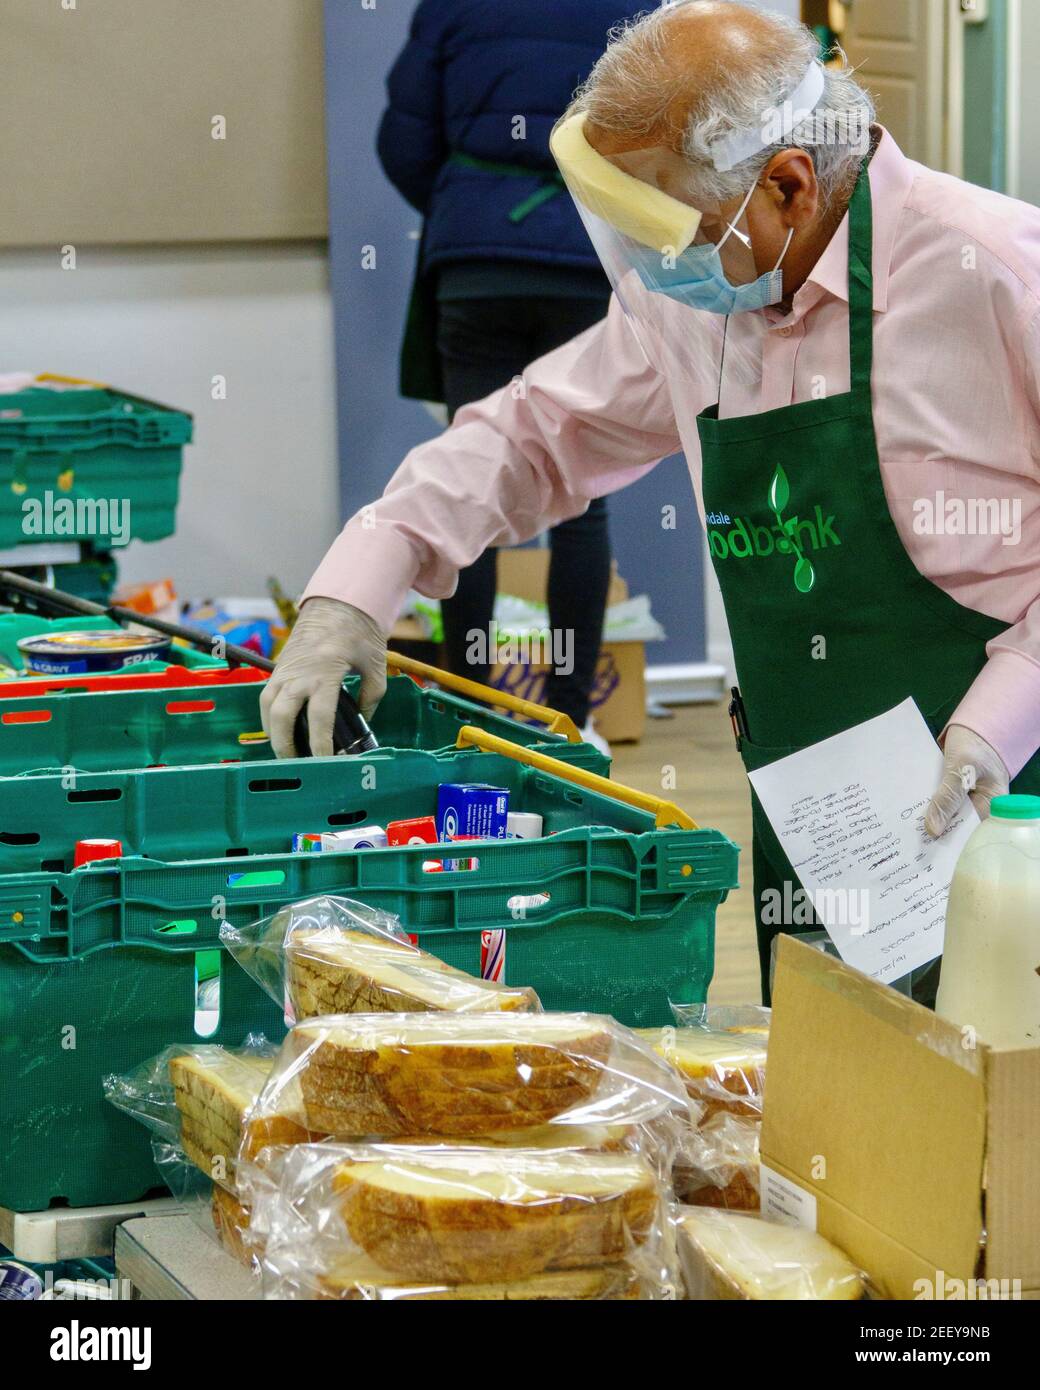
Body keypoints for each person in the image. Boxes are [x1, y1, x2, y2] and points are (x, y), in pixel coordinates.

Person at [264, 1, 1040, 1001]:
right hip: (828, 826)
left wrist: (995, 725)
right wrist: (357, 585)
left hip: (1014, 798)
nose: (657, 268)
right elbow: (528, 433)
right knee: (854, 1113)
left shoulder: (996, 269)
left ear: (790, 185)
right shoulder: (697, 300)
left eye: (670, 230)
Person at [375, 0, 650, 744]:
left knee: (470, 484)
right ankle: (570, 721)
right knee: (582, 499)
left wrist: (475, 205)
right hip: (588, 262)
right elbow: (664, 140)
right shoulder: (636, 8)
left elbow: (403, 143)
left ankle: (471, 712)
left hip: (477, 267)